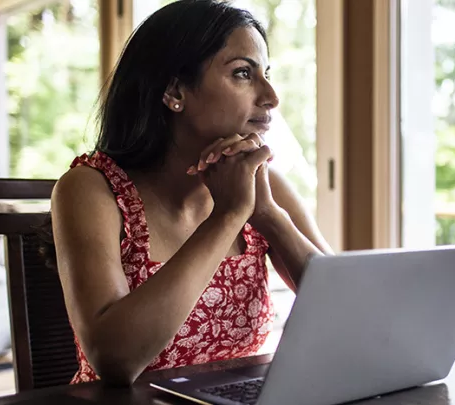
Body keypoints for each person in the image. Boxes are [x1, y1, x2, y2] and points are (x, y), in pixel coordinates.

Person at [42, 0, 332, 386]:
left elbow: (350, 315)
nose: (271, 96)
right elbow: (115, 359)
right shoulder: (92, 189)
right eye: (243, 73)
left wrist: (268, 217)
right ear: (175, 90)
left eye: (267, 73)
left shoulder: (264, 183)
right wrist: (228, 217)